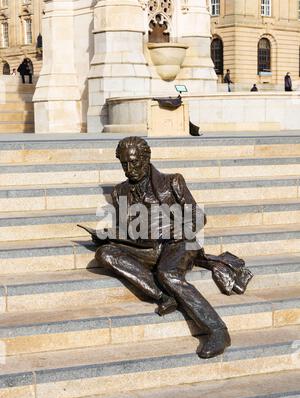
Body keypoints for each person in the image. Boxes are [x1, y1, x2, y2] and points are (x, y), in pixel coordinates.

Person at [93, 137, 231, 359]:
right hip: (147, 246)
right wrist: (110, 237)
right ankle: (165, 296)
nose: (130, 169)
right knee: (105, 253)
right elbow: (130, 230)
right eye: (124, 164)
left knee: (167, 272)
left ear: (146, 159)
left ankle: (217, 330)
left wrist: (181, 229)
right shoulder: (120, 192)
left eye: (134, 162)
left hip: (179, 243)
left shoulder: (172, 182)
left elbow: (198, 216)